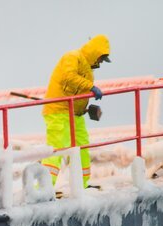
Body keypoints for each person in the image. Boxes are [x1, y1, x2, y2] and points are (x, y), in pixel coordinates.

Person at [41, 35, 111, 188]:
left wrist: (84, 107)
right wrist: (90, 87)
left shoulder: (88, 71)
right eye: (100, 59)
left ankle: (82, 185)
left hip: (75, 114)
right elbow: (69, 76)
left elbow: (76, 91)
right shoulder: (73, 57)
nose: (100, 63)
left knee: (82, 147)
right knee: (56, 147)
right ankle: (43, 188)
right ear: (95, 53)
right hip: (58, 111)